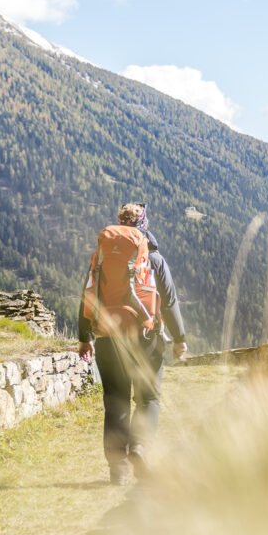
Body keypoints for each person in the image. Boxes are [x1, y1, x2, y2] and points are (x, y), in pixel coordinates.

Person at [78, 203, 189, 484]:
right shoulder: (154, 259)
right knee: (148, 397)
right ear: (144, 225)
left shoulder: (100, 259)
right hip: (146, 339)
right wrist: (179, 339)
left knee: (116, 401)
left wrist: (84, 339)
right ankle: (139, 448)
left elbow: (87, 296)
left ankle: (117, 469)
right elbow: (170, 302)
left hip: (106, 337)